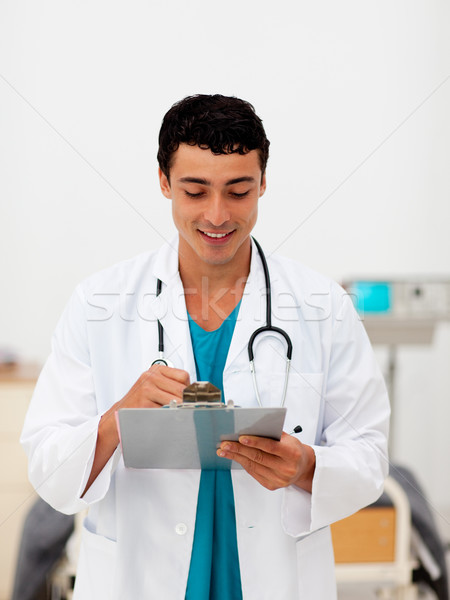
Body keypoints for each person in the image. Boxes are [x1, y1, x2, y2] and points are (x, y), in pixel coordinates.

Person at [21, 94, 390, 599]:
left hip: (274, 578)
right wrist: (117, 421)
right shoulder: (97, 304)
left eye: (238, 191)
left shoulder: (322, 306)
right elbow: (47, 468)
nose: (217, 215)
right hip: (139, 578)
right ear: (164, 182)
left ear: (263, 183)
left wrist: (307, 467)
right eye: (196, 191)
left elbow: (370, 456)